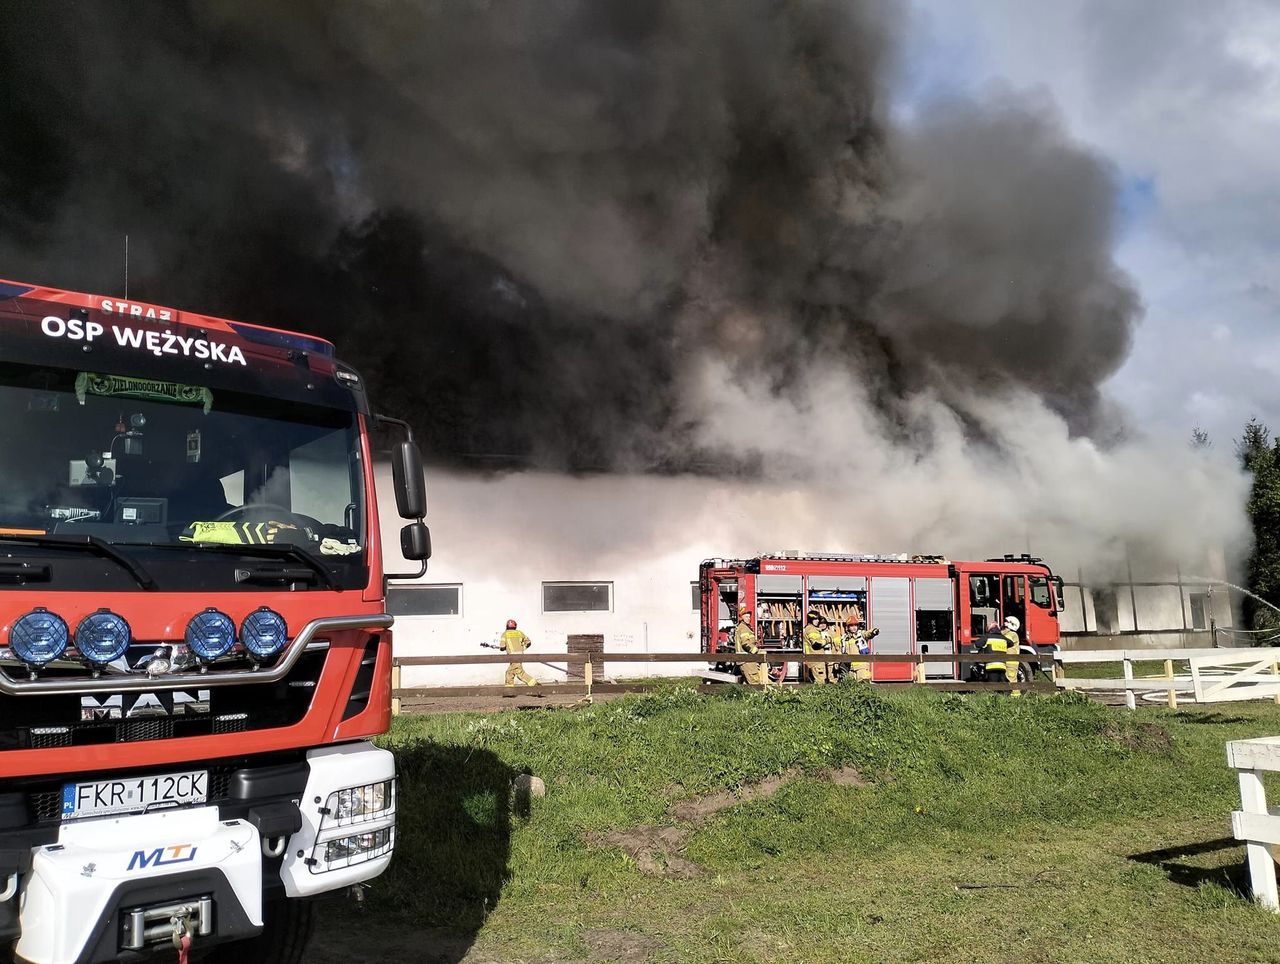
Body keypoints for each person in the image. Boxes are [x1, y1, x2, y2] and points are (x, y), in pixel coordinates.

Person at [734, 603, 770, 686]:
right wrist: (756, 652)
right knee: (755, 682)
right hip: (746, 659)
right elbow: (745, 644)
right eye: (746, 616)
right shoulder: (743, 628)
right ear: (741, 617)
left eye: (749, 617)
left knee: (750, 681)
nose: (748, 618)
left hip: (747, 659)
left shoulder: (745, 627)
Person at [499, 619, 538, 687]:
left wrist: (504, 648)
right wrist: (522, 648)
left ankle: (509, 691)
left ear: (507, 626)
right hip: (520, 655)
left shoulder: (505, 634)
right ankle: (534, 684)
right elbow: (528, 643)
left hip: (513, 656)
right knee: (519, 673)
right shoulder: (520, 633)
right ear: (515, 626)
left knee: (510, 673)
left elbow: (502, 647)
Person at [802, 611, 831, 684]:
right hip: (816, 660)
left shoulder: (809, 628)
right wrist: (827, 640)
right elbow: (816, 644)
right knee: (820, 683)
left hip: (814, 659)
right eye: (815, 619)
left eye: (818, 619)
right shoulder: (812, 629)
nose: (817, 621)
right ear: (810, 620)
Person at [979, 616, 1008, 685]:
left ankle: (993, 695)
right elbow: (1011, 643)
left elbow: (977, 644)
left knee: (992, 685)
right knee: (1003, 684)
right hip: (1002, 666)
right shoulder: (1003, 638)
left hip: (991, 666)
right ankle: (1005, 695)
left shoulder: (987, 637)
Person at [1002, 615, 1023, 698]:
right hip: (1007, 660)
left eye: (1006, 622)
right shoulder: (1008, 633)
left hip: (1011, 661)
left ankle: (1016, 697)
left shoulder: (1012, 634)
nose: (1004, 623)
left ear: (1011, 624)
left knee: (1011, 679)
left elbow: (1004, 640)